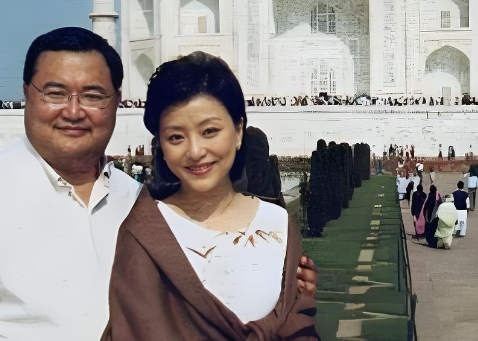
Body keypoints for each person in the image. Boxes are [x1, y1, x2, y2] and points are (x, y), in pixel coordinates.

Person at [0, 28, 320, 340]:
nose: (74, 111)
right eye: (55, 93)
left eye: (92, 95)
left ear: (117, 102)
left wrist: (283, 287)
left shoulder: (136, 201)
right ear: (26, 94)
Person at [102, 52, 318, 340]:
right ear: (161, 145)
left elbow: (297, 324)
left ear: (238, 131)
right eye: (176, 137)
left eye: (209, 131)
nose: (195, 151)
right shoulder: (145, 234)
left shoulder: (277, 223)